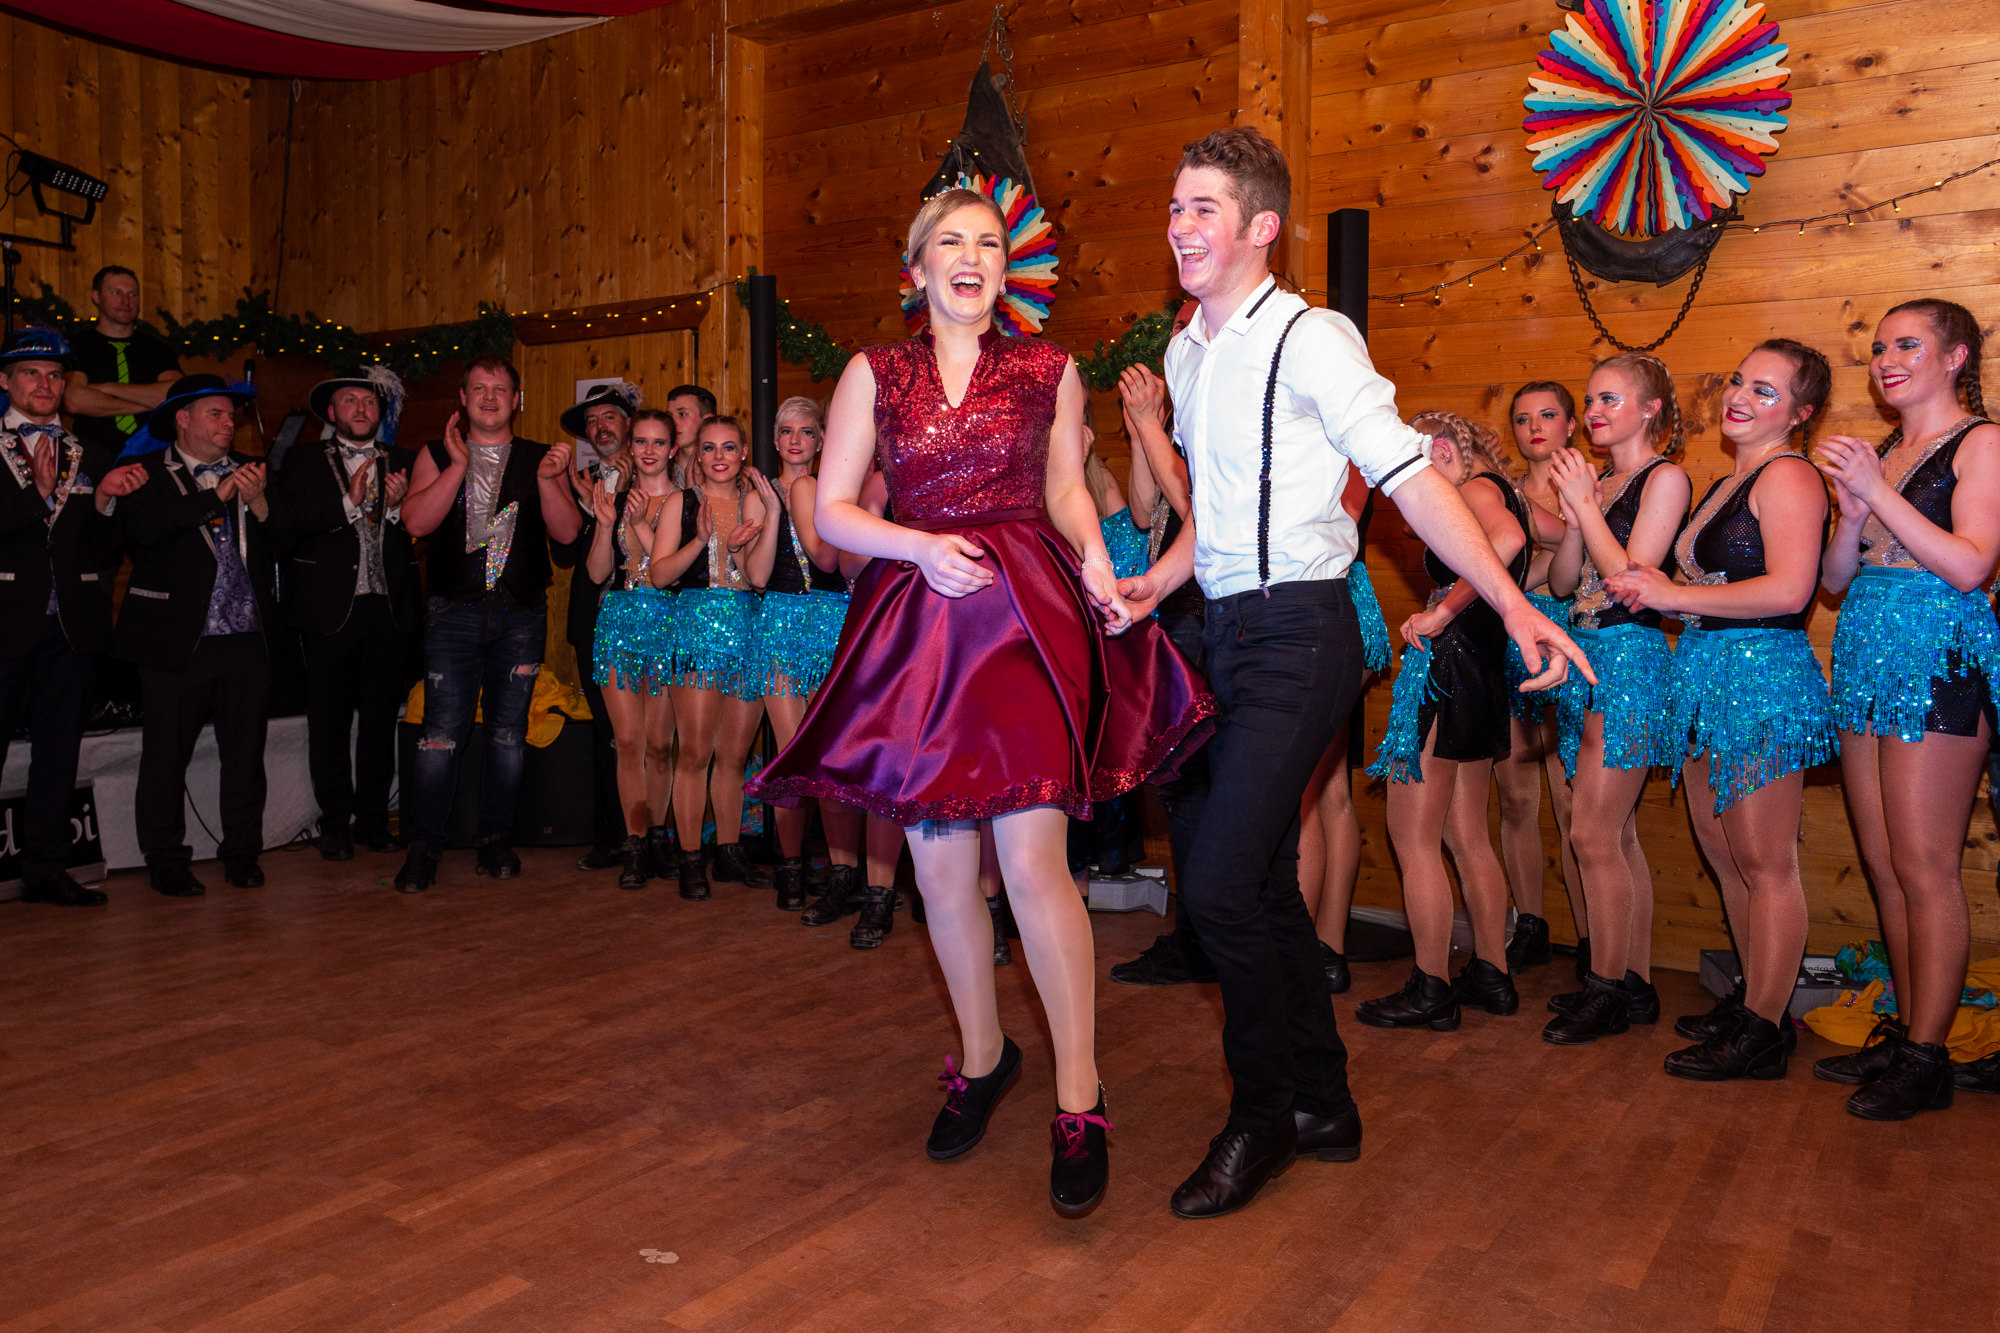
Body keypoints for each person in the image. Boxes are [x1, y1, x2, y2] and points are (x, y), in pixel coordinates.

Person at [1116, 128, 1589, 1220]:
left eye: (1202, 208)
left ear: (1260, 226)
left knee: (1217, 884)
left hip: (1303, 630)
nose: (1180, 225)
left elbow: (1410, 480)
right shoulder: (1187, 352)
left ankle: (1262, 1116)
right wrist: (1158, 582)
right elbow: (1213, 511)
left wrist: (1513, 601)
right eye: (1175, 207)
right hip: (1220, 628)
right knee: (1255, 880)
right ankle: (1323, 1102)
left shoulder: (1312, 337)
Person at [748, 187, 1216, 1220]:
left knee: (1033, 861)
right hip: (920, 627)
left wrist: (1095, 559)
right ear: (917, 269)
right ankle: (982, 1055)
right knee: (940, 869)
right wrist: (916, 547)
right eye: (950, 242)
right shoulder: (875, 371)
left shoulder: (1050, 368)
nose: (971, 256)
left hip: (1023, 622)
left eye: (989, 244)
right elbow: (834, 515)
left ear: (1008, 270)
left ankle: (1079, 1096)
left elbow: (1065, 489)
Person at [1606, 340, 1837, 1081]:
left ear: (1800, 413)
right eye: (1739, 380)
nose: (1740, 395)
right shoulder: (1729, 480)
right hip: (1705, 675)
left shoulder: (1790, 475)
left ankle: (1765, 1029)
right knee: (1727, 855)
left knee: (1767, 863)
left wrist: (1672, 594)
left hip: (1762, 676)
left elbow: (1791, 590)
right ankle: (1751, 1000)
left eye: (1766, 391)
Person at [1816, 298, 2000, 1118]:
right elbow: (1833, 579)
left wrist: (1874, 492)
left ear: (1956, 357)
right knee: (1886, 863)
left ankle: (1929, 1057)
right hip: (1864, 657)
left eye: (1908, 345)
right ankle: (1906, 1025)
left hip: (1936, 658)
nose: (1887, 359)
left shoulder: (1982, 443)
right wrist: (1853, 511)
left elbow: (1969, 565)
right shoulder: (1887, 451)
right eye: (1880, 346)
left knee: (1926, 866)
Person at [1359, 411, 1533, 1030]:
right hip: (1481, 671)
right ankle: (1492, 973)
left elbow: (1507, 540)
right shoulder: (1500, 488)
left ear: (1439, 449)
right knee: (1468, 835)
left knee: (1413, 838)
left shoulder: (1477, 492)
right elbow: (1528, 541)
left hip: (1447, 669)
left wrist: (1441, 611)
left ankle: (1430, 985)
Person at [1543, 353, 1691, 1043]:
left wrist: (1583, 506)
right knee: (1617, 833)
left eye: (1610, 399)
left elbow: (1630, 582)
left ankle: (1604, 990)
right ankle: (1632, 983)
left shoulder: (1666, 477)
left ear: (1650, 408)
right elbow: (1563, 583)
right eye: (1591, 400)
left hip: (1630, 656)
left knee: (1590, 833)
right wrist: (1578, 518)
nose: (1595, 412)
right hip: (1584, 656)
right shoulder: (1599, 483)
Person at [394, 354, 582, 894]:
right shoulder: (436, 453)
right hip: (453, 615)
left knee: (508, 735)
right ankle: (424, 846)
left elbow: (568, 534)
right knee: (439, 737)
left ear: (516, 400)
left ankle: (495, 839)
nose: (490, 397)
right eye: (479, 388)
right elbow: (414, 521)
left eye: (500, 389)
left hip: (520, 614)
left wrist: (549, 480)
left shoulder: (540, 456)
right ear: (463, 398)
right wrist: (458, 466)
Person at [115, 375, 290, 897]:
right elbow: (145, 531)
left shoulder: (252, 471)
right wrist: (218, 494)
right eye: (215, 413)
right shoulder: (145, 472)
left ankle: (243, 852)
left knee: (245, 754)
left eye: (231, 415)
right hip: (175, 638)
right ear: (182, 419)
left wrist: (259, 504)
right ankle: (166, 858)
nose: (227, 423)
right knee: (166, 756)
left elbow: (287, 539)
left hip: (246, 637)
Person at [0, 328, 148, 906]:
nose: (45, 384)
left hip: (72, 626)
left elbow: (105, 549)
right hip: (6, 622)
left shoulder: (92, 453)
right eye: (31, 373)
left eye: (54, 375)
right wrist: (37, 494)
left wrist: (106, 500)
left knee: (59, 753)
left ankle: (45, 870)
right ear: (5, 381)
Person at [278, 371, 419, 861]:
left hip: (388, 609)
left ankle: (374, 822)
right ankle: (335, 823)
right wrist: (347, 504)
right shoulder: (301, 460)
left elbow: (422, 531)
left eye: (369, 401)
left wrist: (398, 510)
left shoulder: (405, 461)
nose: (361, 409)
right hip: (327, 610)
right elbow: (288, 526)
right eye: (350, 401)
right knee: (329, 723)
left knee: (380, 721)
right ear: (332, 412)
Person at [646, 414, 777, 899]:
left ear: (743, 454)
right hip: (696, 628)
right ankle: (689, 858)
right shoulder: (681, 503)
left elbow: (761, 575)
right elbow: (659, 575)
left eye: (728, 447)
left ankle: (728, 852)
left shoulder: (756, 502)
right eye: (709, 448)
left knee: (735, 756)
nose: (719, 456)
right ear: (697, 456)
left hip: (748, 630)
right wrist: (700, 541)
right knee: (695, 752)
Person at [1494, 382, 1589, 976]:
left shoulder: (1587, 488)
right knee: (1514, 797)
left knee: (1574, 803)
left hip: (1569, 645)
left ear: (1572, 425)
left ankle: (1593, 940)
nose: (1534, 427)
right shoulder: (1501, 491)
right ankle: (1530, 924)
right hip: (1511, 648)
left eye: (1548, 415)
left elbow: (1570, 570)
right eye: (1523, 418)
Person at [757, 396, 864, 919]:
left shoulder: (837, 492)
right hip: (779, 623)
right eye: (786, 430)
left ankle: (844, 874)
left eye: (806, 431)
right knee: (790, 754)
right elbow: (753, 576)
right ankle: (791, 868)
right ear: (775, 440)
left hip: (832, 622)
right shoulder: (757, 493)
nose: (795, 440)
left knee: (831, 753)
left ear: (822, 440)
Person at [1294, 466, 1390, 994]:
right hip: (1342, 607)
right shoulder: (1346, 451)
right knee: (1330, 790)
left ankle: (1304, 948)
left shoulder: (1341, 453)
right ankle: (1326, 948)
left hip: (1334, 607)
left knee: (1307, 792)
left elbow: (1337, 526)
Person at [586, 408, 680, 889]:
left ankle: (660, 837)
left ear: (673, 449)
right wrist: (605, 525)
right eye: (640, 441)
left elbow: (672, 571)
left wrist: (640, 521)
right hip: (620, 621)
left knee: (660, 745)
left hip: (667, 623)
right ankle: (635, 845)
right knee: (627, 742)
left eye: (658, 442)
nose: (648, 450)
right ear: (631, 446)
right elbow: (597, 573)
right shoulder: (617, 499)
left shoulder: (685, 500)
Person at [561, 383, 641, 876]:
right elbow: (563, 551)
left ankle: (649, 837)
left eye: (609, 416)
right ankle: (609, 837)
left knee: (647, 734)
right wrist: (576, 498)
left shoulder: (653, 473)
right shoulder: (579, 482)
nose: (600, 426)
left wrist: (622, 498)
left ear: (628, 424)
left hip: (645, 621)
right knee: (605, 734)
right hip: (591, 620)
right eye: (591, 422)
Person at [62, 266, 183, 470]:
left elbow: (176, 394)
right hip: (91, 458)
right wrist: (151, 404)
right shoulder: (76, 345)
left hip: (153, 459)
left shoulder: (158, 349)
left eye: (132, 294)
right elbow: (74, 401)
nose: (126, 301)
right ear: (96, 297)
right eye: (116, 292)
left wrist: (107, 388)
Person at [664, 384, 718, 488]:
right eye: (669, 416)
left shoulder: (724, 471)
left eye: (682, 414)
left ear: (707, 420)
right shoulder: (658, 470)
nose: (673, 422)